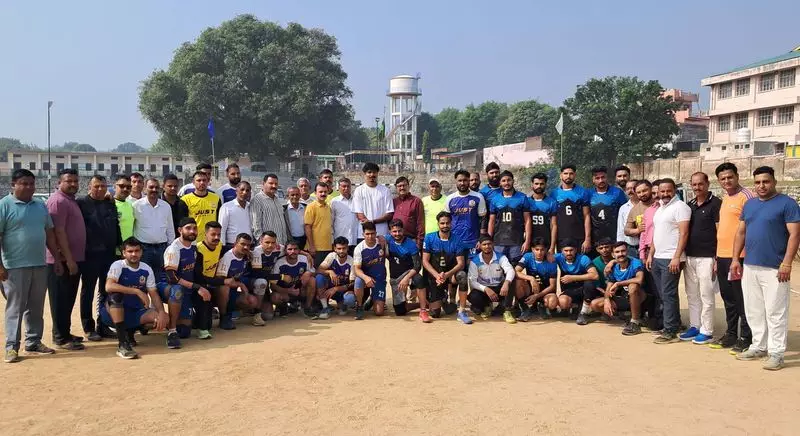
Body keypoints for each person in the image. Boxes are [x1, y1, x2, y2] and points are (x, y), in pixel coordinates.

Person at [731, 166, 800, 371]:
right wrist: (736, 259)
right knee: (754, 310)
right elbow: (741, 232)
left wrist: (786, 262)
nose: (762, 186)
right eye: (758, 182)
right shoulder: (750, 205)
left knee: (775, 312)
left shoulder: (787, 204)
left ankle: (776, 352)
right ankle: (758, 346)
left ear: (774, 182)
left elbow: (795, 235)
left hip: (775, 268)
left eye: (766, 181)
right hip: (751, 265)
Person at [1, 169, 61, 363]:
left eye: (31, 184)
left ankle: (33, 341)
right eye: (24, 183)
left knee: (36, 306)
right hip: (14, 265)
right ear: (13, 185)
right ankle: (12, 346)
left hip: (39, 263)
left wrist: (57, 259)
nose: (28, 187)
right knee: (15, 307)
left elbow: (49, 233)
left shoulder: (40, 206)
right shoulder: (4, 205)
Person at [100, 237, 169, 359]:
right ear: (124, 253)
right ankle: (123, 344)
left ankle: (130, 332)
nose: (134, 254)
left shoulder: (146, 269)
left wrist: (162, 312)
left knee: (163, 319)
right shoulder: (118, 265)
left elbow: (153, 293)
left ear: (141, 252)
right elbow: (109, 286)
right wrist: (136, 291)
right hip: (113, 312)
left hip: (136, 311)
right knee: (116, 297)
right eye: (130, 251)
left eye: (137, 251)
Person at [712, 162, 754, 353]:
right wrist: (716, 257)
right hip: (722, 256)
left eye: (730, 177)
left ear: (737, 176)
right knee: (727, 297)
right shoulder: (726, 198)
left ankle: (746, 336)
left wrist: (739, 257)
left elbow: (750, 229)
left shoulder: (747, 197)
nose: (727, 181)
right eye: (723, 178)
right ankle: (731, 333)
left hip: (739, 257)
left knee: (742, 298)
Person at [46, 168, 86, 350]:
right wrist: (67, 259)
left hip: (74, 258)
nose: (73, 184)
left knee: (68, 298)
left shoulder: (70, 201)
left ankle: (65, 331)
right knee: (60, 299)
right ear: (59, 183)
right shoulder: (57, 201)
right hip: (61, 261)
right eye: (69, 181)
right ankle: (60, 337)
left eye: (75, 181)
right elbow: (56, 232)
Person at [77, 175, 121, 341]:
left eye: (103, 186)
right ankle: (88, 327)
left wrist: (120, 245)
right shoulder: (81, 203)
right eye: (97, 186)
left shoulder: (109, 204)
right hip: (90, 254)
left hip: (109, 254)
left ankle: (102, 325)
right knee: (88, 291)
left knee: (105, 291)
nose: (101, 189)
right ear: (90, 186)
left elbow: (115, 227)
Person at [648, 178, 691, 344]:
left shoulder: (680, 207)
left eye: (668, 191)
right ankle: (673, 324)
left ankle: (670, 330)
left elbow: (684, 233)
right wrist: (651, 253)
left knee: (668, 294)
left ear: (674, 191)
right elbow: (657, 234)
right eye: (662, 191)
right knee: (663, 295)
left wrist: (676, 256)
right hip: (658, 257)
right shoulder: (660, 209)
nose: (665, 194)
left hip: (671, 258)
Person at [683, 172, 721, 345]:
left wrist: (717, 258)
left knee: (706, 294)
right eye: (694, 184)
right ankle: (695, 325)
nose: (697, 188)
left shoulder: (716, 204)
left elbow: (720, 232)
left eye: (700, 184)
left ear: (707, 184)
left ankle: (707, 330)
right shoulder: (689, 205)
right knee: (691, 293)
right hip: (690, 256)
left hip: (707, 257)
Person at [161, 217, 204, 349]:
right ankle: (171, 330)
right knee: (178, 290)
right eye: (188, 228)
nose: (192, 231)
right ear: (180, 230)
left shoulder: (193, 247)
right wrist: (196, 287)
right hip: (167, 287)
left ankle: (167, 321)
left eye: (194, 228)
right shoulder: (174, 249)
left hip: (186, 290)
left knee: (185, 332)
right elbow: (171, 277)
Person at [420, 211, 469, 324]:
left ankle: (462, 310)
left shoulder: (457, 240)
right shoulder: (429, 238)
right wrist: (437, 275)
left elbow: (460, 263)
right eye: (442, 223)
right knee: (435, 313)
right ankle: (443, 299)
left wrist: (447, 274)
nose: (445, 225)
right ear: (438, 224)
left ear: (451, 223)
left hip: (450, 275)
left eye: (447, 223)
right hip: (435, 276)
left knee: (462, 275)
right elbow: (425, 261)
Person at [589, 241, 646, 336]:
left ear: (627, 252)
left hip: (639, 297)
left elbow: (639, 279)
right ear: (613, 254)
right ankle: (625, 316)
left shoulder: (635, 262)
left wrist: (618, 283)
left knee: (633, 286)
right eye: (617, 252)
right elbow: (609, 287)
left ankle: (635, 322)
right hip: (623, 298)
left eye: (623, 251)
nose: (621, 254)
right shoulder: (613, 267)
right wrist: (607, 299)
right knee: (595, 304)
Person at [132, 178, 175, 283]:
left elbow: (170, 228)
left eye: (156, 187)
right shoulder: (136, 206)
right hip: (144, 249)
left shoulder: (166, 206)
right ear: (145, 189)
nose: (154, 189)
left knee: (161, 281)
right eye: (151, 187)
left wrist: (170, 247)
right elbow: (132, 227)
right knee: (142, 280)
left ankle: (158, 300)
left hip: (162, 249)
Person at [468, 236, 517, 324]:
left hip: (500, 289)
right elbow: (472, 281)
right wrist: (486, 289)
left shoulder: (501, 257)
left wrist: (506, 283)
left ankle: (507, 311)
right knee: (473, 297)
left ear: (493, 244)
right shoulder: (475, 261)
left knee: (511, 280)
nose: (487, 246)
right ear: (480, 246)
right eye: (484, 244)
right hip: (485, 290)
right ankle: (487, 306)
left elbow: (510, 270)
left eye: (489, 244)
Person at [215, 233, 259, 329]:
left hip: (233, 290)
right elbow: (220, 279)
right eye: (243, 244)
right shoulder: (227, 257)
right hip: (219, 292)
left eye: (248, 245)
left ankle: (233, 313)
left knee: (252, 301)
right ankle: (223, 317)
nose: (246, 247)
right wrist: (241, 285)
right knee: (224, 288)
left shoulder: (246, 256)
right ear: (235, 243)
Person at [382, 220, 424, 317]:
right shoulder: (387, 239)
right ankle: (422, 304)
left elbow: (417, 266)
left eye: (399, 231)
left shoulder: (411, 244)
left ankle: (423, 308)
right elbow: (378, 238)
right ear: (390, 232)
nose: (397, 234)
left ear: (403, 230)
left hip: (410, 274)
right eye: (394, 231)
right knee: (400, 311)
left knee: (418, 279)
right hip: (396, 278)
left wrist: (406, 278)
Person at [488, 170, 531, 263]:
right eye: (503, 181)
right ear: (500, 183)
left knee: (515, 270)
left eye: (509, 180)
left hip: (516, 241)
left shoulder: (522, 197)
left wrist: (527, 240)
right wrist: (489, 239)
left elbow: (527, 220)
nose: (506, 183)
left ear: (513, 181)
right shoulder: (495, 199)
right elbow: (491, 221)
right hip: (499, 241)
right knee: (499, 271)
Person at [554, 239, 599, 325]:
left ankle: (584, 312)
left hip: (584, 289)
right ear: (561, 251)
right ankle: (576, 307)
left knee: (589, 282)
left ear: (575, 250)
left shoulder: (583, 258)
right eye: (566, 251)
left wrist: (573, 278)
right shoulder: (558, 257)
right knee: (563, 303)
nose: (568, 253)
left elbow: (595, 275)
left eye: (571, 250)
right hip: (570, 289)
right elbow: (543, 256)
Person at [193, 221, 226, 338]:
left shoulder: (220, 246)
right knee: (206, 325)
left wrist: (249, 253)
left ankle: (225, 317)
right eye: (213, 234)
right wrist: (222, 281)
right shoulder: (198, 250)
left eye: (219, 234)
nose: (216, 237)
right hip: (199, 285)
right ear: (205, 234)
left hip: (212, 283)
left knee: (225, 288)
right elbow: (199, 277)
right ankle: (199, 325)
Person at [270, 239, 317, 318]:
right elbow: (272, 285)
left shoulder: (304, 259)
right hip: (286, 292)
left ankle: (307, 307)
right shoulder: (279, 263)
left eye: (295, 249)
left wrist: (309, 273)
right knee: (274, 297)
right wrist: (288, 291)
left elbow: (315, 272)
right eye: (290, 249)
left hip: (300, 291)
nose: (293, 251)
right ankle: (284, 307)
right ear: (285, 251)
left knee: (312, 280)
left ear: (299, 250)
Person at [251, 231, 292, 320]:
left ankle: (281, 305)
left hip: (268, 279)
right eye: (267, 242)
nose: (270, 245)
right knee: (261, 282)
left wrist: (306, 254)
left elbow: (292, 249)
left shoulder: (279, 248)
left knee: (268, 316)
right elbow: (259, 274)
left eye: (273, 242)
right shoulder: (256, 252)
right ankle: (256, 313)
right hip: (254, 281)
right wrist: (281, 277)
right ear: (261, 241)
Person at [514, 238, 558, 320]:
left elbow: (552, 286)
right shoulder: (527, 256)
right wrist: (531, 278)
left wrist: (536, 296)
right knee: (517, 281)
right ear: (532, 249)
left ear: (546, 250)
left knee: (552, 303)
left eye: (542, 250)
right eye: (537, 249)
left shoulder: (551, 261)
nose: (539, 252)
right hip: (532, 288)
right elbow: (515, 272)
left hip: (545, 291)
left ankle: (541, 306)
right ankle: (525, 309)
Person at [444, 169, 486, 255]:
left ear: (468, 181)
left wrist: (481, 239)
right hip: (455, 240)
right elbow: (446, 220)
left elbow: (483, 219)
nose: (462, 183)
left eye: (465, 180)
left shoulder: (478, 197)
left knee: (473, 267)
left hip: (473, 240)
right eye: (460, 180)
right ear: (455, 181)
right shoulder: (449, 199)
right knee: (457, 266)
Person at [588, 166, 628, 252]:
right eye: (597, 178)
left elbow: (625, 213)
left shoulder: (617, 192)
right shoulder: (588, 194)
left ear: (607, 178)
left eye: (603, 177)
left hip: (613, 236)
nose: (601, 180)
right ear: (593, 180)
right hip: (595, 237)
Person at [554, 164, 591, 253]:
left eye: (571, 173)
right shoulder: (554, 193)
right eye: (565, 173)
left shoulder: (582, 192)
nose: (568, 176)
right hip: (562, 237)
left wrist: (587, 239)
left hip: (579, 237)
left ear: (575, 175)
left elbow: (587, 216)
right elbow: (553, 220)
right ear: (561, 175)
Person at [353, 222, 387, 319]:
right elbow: (357, 269)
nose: (370, 236)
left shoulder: (382, 242)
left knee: (379, 312)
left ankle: (373, 298)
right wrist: (366, 277)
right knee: (358, 281)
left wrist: (384, 238)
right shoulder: (359, 248)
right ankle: (359, 307)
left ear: (376, 233)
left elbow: (394, 236)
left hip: (379, 279)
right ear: (363, 234)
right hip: (365, 278)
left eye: (372, 233)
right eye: (367, 234)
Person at [315, 236, 356, 319]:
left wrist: (336, 289)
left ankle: (342, 305)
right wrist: (330, 271)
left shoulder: (352, 261)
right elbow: (318, 270)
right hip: (329, 288)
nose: (341, 251)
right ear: (335, 248)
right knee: (319, 278)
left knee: (350, 299)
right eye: (339, 248)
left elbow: (352, 284)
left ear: (347, 248)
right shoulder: (331, 256)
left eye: (344, 248)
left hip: (342, 290)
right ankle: (325, 307)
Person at [352, 162, 394, 240]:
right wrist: (369, 225)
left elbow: (389, 213)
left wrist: (373, 221)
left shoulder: (385, 190)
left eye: (374, 172)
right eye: (369, 172)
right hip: (364, 234)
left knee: (383, 252)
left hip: (382, 234)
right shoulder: (359, 190)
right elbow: (359, 214)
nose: (372, 175)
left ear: (377, 174)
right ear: (364, 174)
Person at [251, 173, 289, 245]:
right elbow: (255, 225)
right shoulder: (257, 200)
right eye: (271, 183)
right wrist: (262, 243)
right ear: (263, 183)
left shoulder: (278, 199)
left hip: (281, 244)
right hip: (268, 246)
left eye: (276, 184)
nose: (274, 186)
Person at [529, 172, 558, 256]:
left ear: (545, 185)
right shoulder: (526, 201)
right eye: (536, 183)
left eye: (542, 184)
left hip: (546, 241)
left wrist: (552, 247)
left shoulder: (552, 202)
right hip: (530, 241)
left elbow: (554, 225)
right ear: (532, 184)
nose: (539, 186)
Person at [305, 182, 334, 267]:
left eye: (325, 192)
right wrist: (311, 246)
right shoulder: (311, 207)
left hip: (328, 247)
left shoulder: (328, 207)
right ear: (315, 193)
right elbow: (307, 227)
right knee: (316, 274)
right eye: (320, 192)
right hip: (316, 249)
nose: (323, 194)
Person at [392, 176, 424, 248]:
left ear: (408, 186)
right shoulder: (393, 202)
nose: (402, 188)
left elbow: (420, 224)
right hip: (395, 241)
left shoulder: (416, 201)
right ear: (396, 188)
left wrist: (419, 243)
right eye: (399, 186)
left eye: (404, 185)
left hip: (411, 241)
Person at [219, 181, 252, 251]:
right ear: (236, 191)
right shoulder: (227, 207)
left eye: (247, 190)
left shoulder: (251, 207)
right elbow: (222, 228)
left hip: (248, 246)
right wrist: (222, 247)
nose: (244, 192)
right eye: (242, 189)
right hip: (231, 246)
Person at [331, 178, 359, 256]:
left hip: (354, 239)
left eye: (348, 186)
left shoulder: (356, 200)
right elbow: (331, 221)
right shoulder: (334, 202)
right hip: (340, 241)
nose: (346, 188)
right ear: (339, 187)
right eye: (343, 186)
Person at [617, 179, 640, 258]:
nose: (630, 191)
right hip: (629, 248)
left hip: (645, 247)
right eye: (628, 189)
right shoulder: (623, 208)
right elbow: (620, 230)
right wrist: (620, 248)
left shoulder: (647, 206)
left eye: (633, 188)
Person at [113, 175, 135, 247]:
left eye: (128, 187)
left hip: (129, 249)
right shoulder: (109, 204)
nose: (125, 189)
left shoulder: (131, 205)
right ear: (114, 186)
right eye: (122, 186)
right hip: (114, 249)